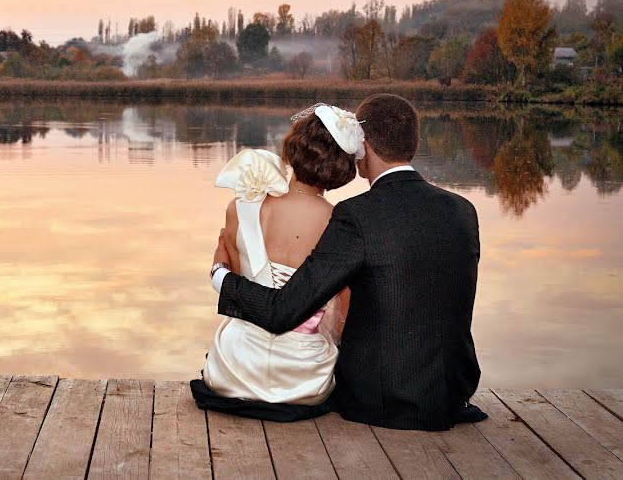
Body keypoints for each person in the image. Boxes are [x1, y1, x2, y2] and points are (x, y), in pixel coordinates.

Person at [205, 94, 486, 431]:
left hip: (378, 398)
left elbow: (284, 310)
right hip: (451, 390)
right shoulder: (463, 210)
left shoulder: (357, 215)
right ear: (413, 142)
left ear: (362, 146)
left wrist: (219, 275)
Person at [194, 105, 359, 419]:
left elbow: (239, 289)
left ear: (293, 147)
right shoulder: (339, 224)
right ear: (342, 167)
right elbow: (344, 310)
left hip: (235, 367)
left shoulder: (240, 207)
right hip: (301, 378)